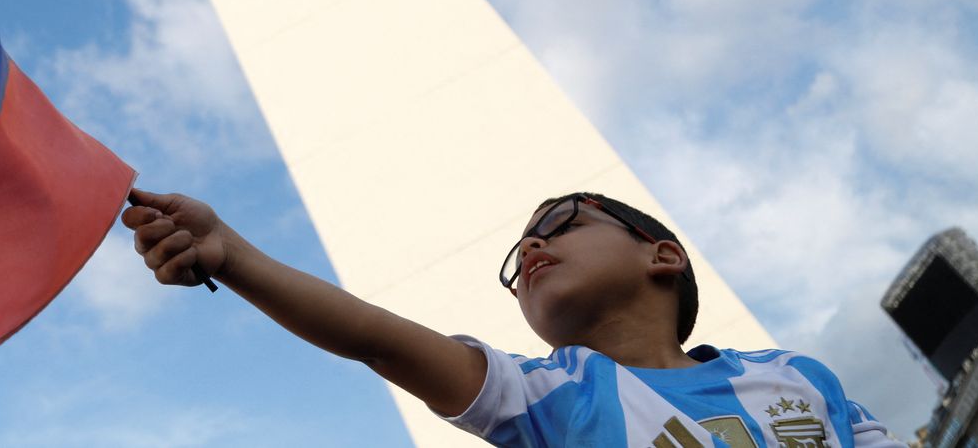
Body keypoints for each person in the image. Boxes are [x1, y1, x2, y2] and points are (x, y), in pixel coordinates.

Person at [122, 188, 904, 447]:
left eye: (562, 222)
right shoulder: (544, 396)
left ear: (661, 257)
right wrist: (235, 253)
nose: (531, 246)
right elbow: (369, 335)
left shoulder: (801, 375)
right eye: (515, 259)